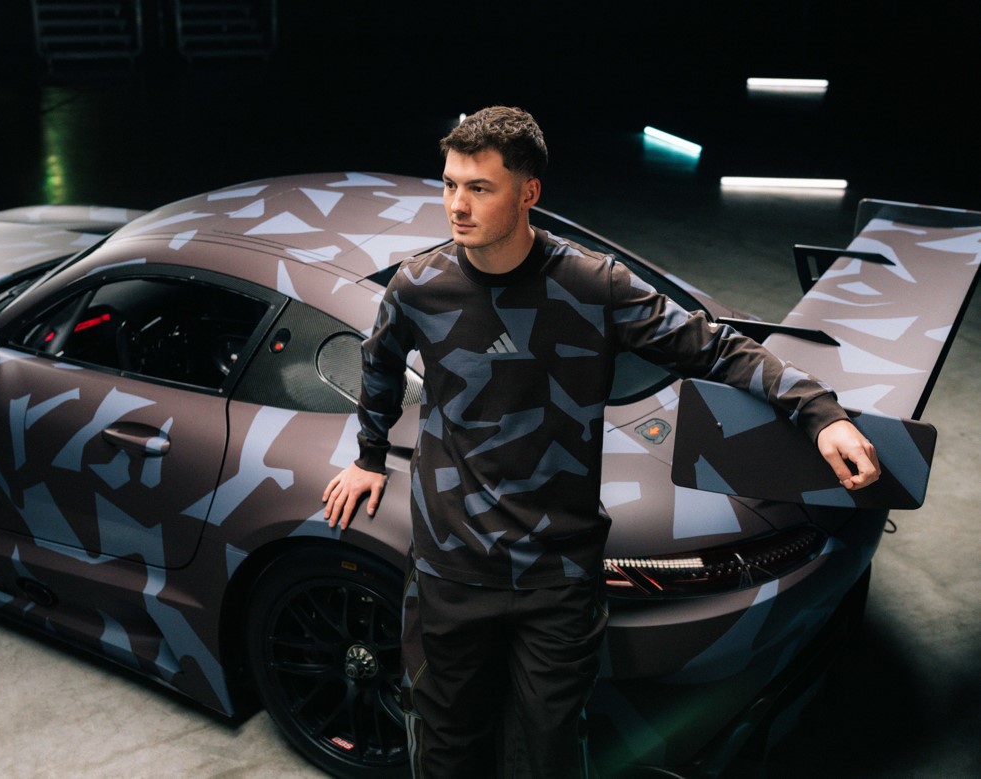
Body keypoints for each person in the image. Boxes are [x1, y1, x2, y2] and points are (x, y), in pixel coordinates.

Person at [323, 105, 879, 778]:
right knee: (445, 750)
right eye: (449, 184)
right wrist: (369, 457)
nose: (456, 206)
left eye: (479, 187)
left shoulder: (593, 284)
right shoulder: (418, 286)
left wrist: (821, 414)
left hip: (558, 578)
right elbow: (379, 365)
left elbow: (714, 347)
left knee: (551, 754)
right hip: (451, 569)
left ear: (528, 192)